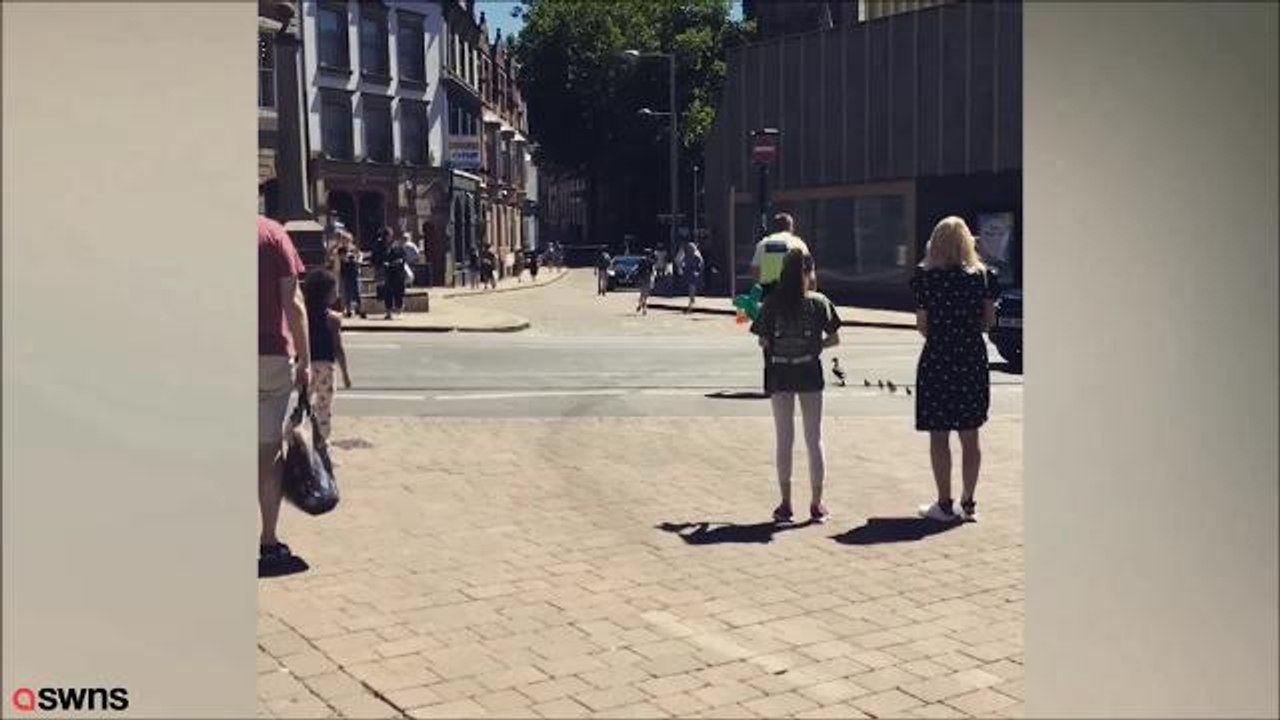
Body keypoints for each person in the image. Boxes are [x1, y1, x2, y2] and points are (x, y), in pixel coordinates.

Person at [911, 216, 1000, 523]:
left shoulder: (925, 277)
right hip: (971, 358)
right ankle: (969, 502)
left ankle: (944, 504)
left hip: (938, 356)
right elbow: (989, 321)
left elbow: (922, 326)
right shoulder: (983, 276)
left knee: (939, 433)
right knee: (970, 433)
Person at [750, 247, 840, 525]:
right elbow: (834, 339)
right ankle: (816, 503)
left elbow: (762, 340)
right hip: (809, 371)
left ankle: (786, 504)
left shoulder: (772, 302)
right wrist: (816, 347)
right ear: (807, 273)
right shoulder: (818, 302)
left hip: (780, 373)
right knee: (814, 438)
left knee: (784, 439)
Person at [258, 215, 310, 570]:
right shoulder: (273, 235)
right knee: (267, 450)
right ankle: (269, 540)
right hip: (269, 355)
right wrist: (305, 358)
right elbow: (293, 303)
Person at [303, 269, 352, 443]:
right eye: (334, 290)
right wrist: (346, 374)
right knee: (323, 407)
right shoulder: (333, 319)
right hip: (325, 367)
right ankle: (321, 444)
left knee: (302, 405)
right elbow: (338, 348)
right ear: (327, 294)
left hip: (306, 365)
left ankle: (291, 435)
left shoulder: (304, 315)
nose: (337, 294)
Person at [750, 213, 811, 299]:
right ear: (791, 227)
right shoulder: (799, 244)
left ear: (774, 228)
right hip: (794, 292)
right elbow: (810, 273)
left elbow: (755, 271)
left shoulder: (764, 243)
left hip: (769, 293)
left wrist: (757, 295)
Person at [336, 231, 365, 319]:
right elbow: (342, 258)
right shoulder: (341, 249)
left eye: (347, 239)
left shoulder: (354, 248)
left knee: (357, 292)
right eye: (344, 239)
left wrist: (358, 259)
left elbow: (360, 255)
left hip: (354, 272)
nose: (345, 241)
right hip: (345, 273)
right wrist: (347, 258)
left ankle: (360, 309)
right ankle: (348, 310)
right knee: (346, 292)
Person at [382, 234, 408, 319]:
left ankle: (399, 310)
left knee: (399, 293)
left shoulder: (401, 250)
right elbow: (383, 260)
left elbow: (402, 260)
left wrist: (396, 263)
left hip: (398, 275)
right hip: (390, 274)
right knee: (388, 293)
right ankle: (389, 312)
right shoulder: (386, 249)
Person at [677, 240, 704, 313]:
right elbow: (682, 263)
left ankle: (690, 306)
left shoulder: (696, 256)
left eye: (690, 248)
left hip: (693, 274)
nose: (689, 249)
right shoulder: (688, 255)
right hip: (689, 274)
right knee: (690, 290)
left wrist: (697, 272)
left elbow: (700, 265)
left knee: (692, 290)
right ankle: (691, 303)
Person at [635, 249, 656, 315]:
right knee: (646, 295)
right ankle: (644, 309)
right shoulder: (651, 261)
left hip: (642, 278)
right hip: (648, 278)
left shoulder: (641, 260)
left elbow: (638, 269)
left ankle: (640, 305)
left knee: (642, 294)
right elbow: (653, 271)